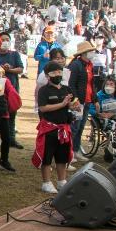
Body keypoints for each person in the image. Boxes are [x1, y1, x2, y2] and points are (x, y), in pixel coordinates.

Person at [34, 61, 77, 194]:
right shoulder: (44, 90)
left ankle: (61, 180)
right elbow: (43, 108)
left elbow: (73, 104)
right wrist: (62, 103)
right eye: (54, 73)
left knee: (62, 156)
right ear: (47, 76)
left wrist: (74, 105)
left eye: (59, 72)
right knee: (47, 156)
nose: (57, 75)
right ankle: (46, 182)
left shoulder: (66, 89)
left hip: (64, 127)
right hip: (49, 128)